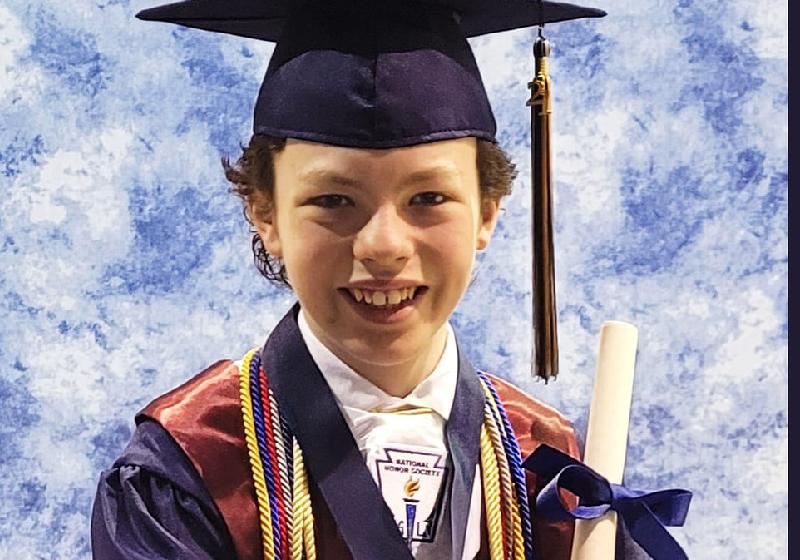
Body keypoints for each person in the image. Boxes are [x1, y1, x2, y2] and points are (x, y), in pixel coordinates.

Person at [91, 1, 606, 559]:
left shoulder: (550, 467)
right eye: (333, 200)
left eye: (429, 198)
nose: (383, 247)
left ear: (487, 212)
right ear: (265, 214)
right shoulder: (187, 470)